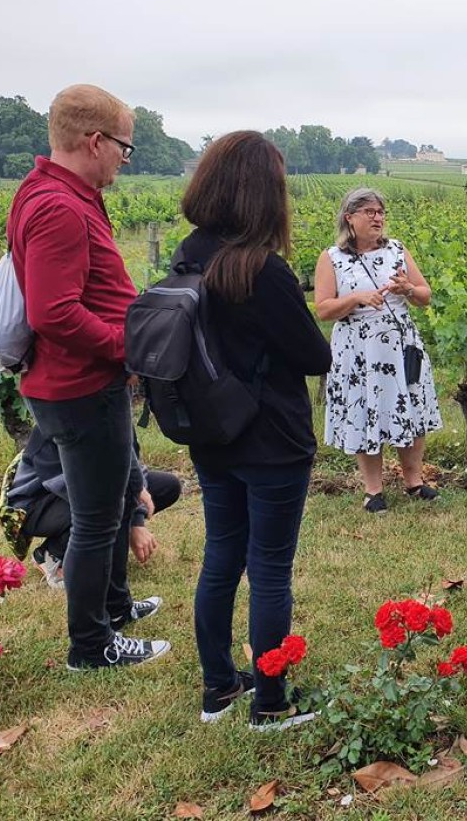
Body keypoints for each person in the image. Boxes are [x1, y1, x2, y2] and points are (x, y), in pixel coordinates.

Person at [7, 84, 170, 671]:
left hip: (82, 382)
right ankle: (91, 646)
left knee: (117, 499)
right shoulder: (58, 206)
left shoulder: (53, 192)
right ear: (95, 141)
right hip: (80, 385)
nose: (126, 161)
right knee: (98, 520)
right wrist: (125, 346)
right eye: (124, 148)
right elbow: (52, 312)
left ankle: (117, 609)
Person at [179, 131, 332, 729]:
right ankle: (271, 702)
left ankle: (219, 687)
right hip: (271, 440)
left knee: (221, 556)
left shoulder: (190, 254)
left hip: (212, 432)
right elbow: (314, 355)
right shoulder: (260, 270)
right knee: (270, 566)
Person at [315, 188, 442, 513]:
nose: (377, 218)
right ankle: (374, 489)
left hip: (402, 347)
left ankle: (413, 481)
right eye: (369, 212)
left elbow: (424, 295)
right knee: (366, 411)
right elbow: (324, 309)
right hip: (360, 353)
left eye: (380, 212)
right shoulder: (332, 258)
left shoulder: (397, 250)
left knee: (410, 407)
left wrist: (408, 289)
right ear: (350, 218)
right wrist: (356, 298)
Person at [0, 428, 180, 591]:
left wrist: (136, 519)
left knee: (166, 486)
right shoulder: (55, 420)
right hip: (36, 503)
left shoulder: (114, 407)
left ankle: (103, 539)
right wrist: (128, 518)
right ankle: (52, 553)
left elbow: (132, 467)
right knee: (102, 501)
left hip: (84, 487)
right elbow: (68, 486)